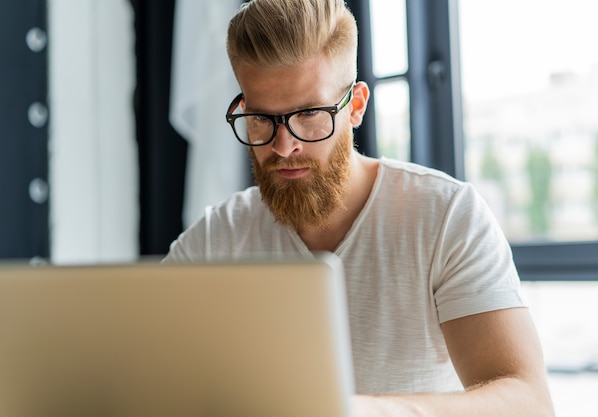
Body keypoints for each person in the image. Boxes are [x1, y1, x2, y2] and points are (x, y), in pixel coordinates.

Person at [163, 0, 555, 415]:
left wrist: (354, 411)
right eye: (261, 119)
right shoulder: (217, 237)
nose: (283, 145)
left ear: (355, 106)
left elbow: (528, 402)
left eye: (310, 115)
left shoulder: (446, 216)